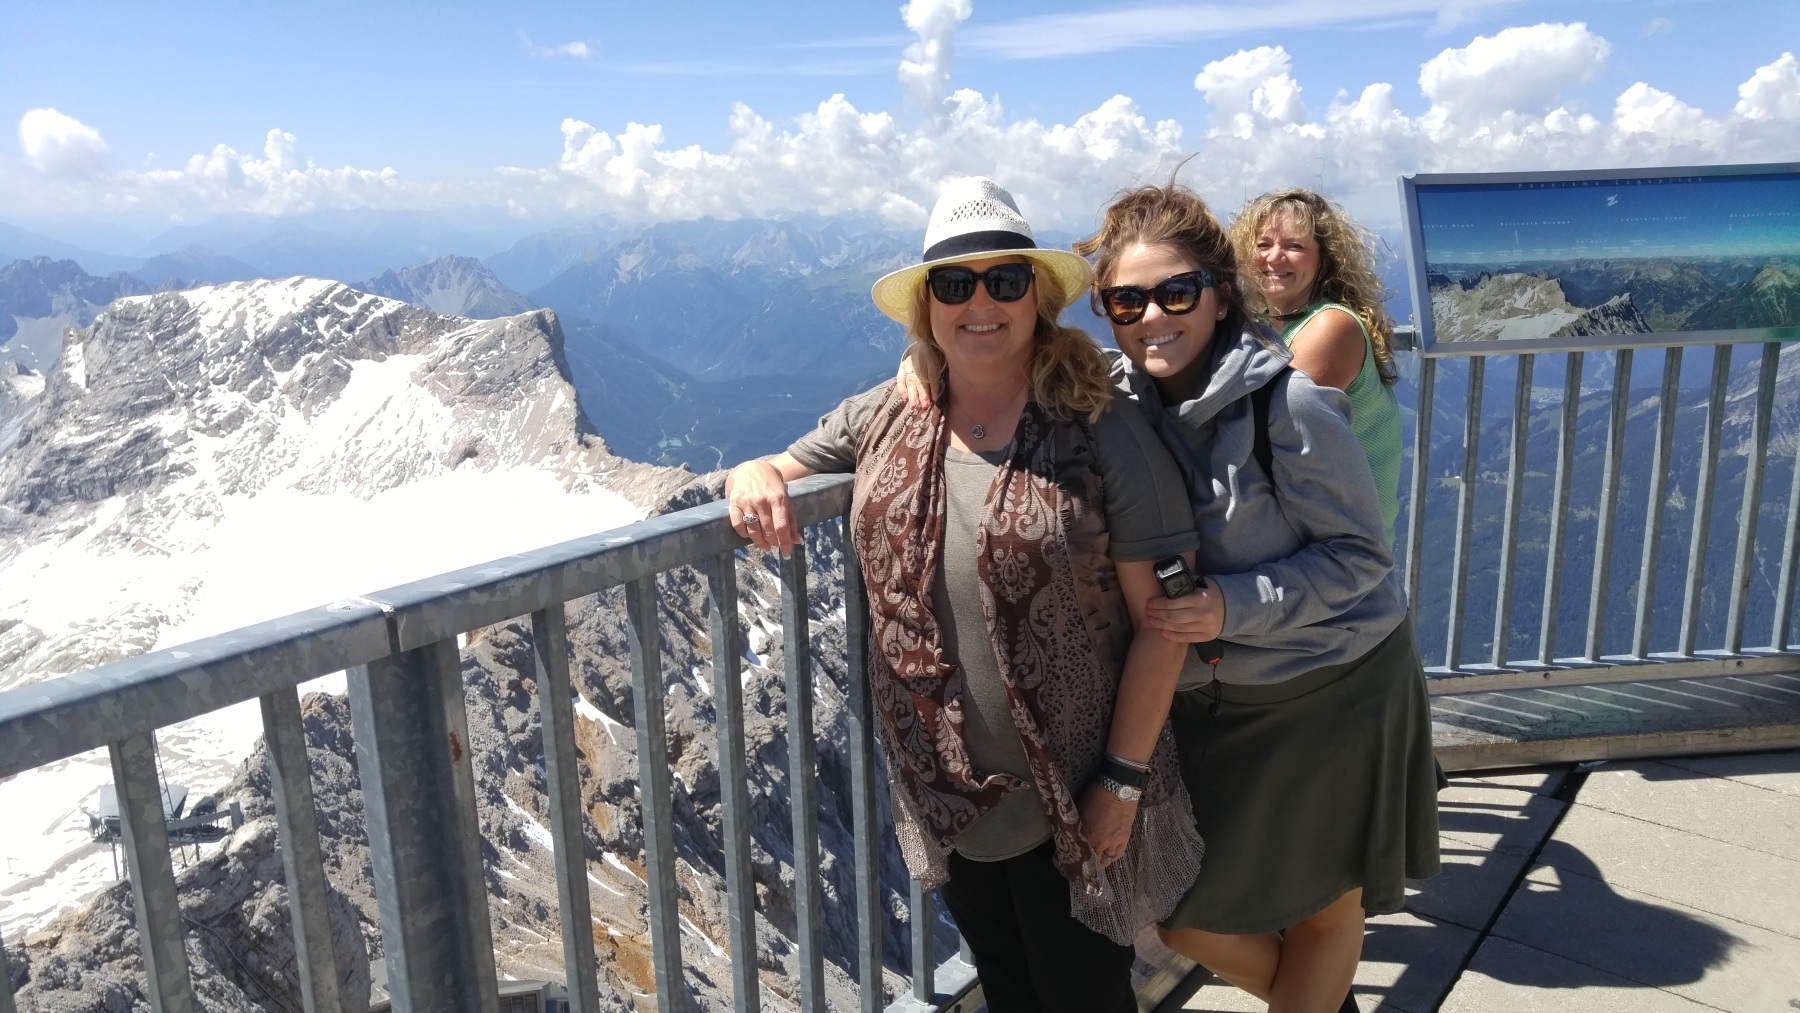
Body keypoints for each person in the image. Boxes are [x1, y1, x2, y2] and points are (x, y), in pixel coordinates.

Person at [897, 178, 1439, 1013]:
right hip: (1223, 699)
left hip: (1334, 686)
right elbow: (1009, 359)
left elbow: (1361, 558)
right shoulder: (1119, 392)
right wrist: (928, 359)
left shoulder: (1289, 404)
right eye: (1127, 300)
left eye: (1176, 292)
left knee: (1325, 911)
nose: (1152, 316)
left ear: (1219, 294)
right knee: (1181, 915)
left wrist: (1230, 604)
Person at [726, 177, 1207, 1013]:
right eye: (954, 284)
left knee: (1084, 996)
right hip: (948, 795)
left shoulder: (1099, 425)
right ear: (927, 308)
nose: (980, 302)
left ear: (1037, 298)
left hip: (1077, 792)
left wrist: (1122, 782)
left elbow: (1164, 622)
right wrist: (748, 471)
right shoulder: (887, 412)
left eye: (1004, 280)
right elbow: (782, 462)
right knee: (1010, 988)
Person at [1231, 188, 1404, 548]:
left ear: (1324, 259)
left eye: (1294, 246)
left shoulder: (1330, 327)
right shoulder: (1267, 323)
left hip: (1345, 554)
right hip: (1311, 540)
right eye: (1263, 245)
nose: (1274, 257)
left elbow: (1261, 432)